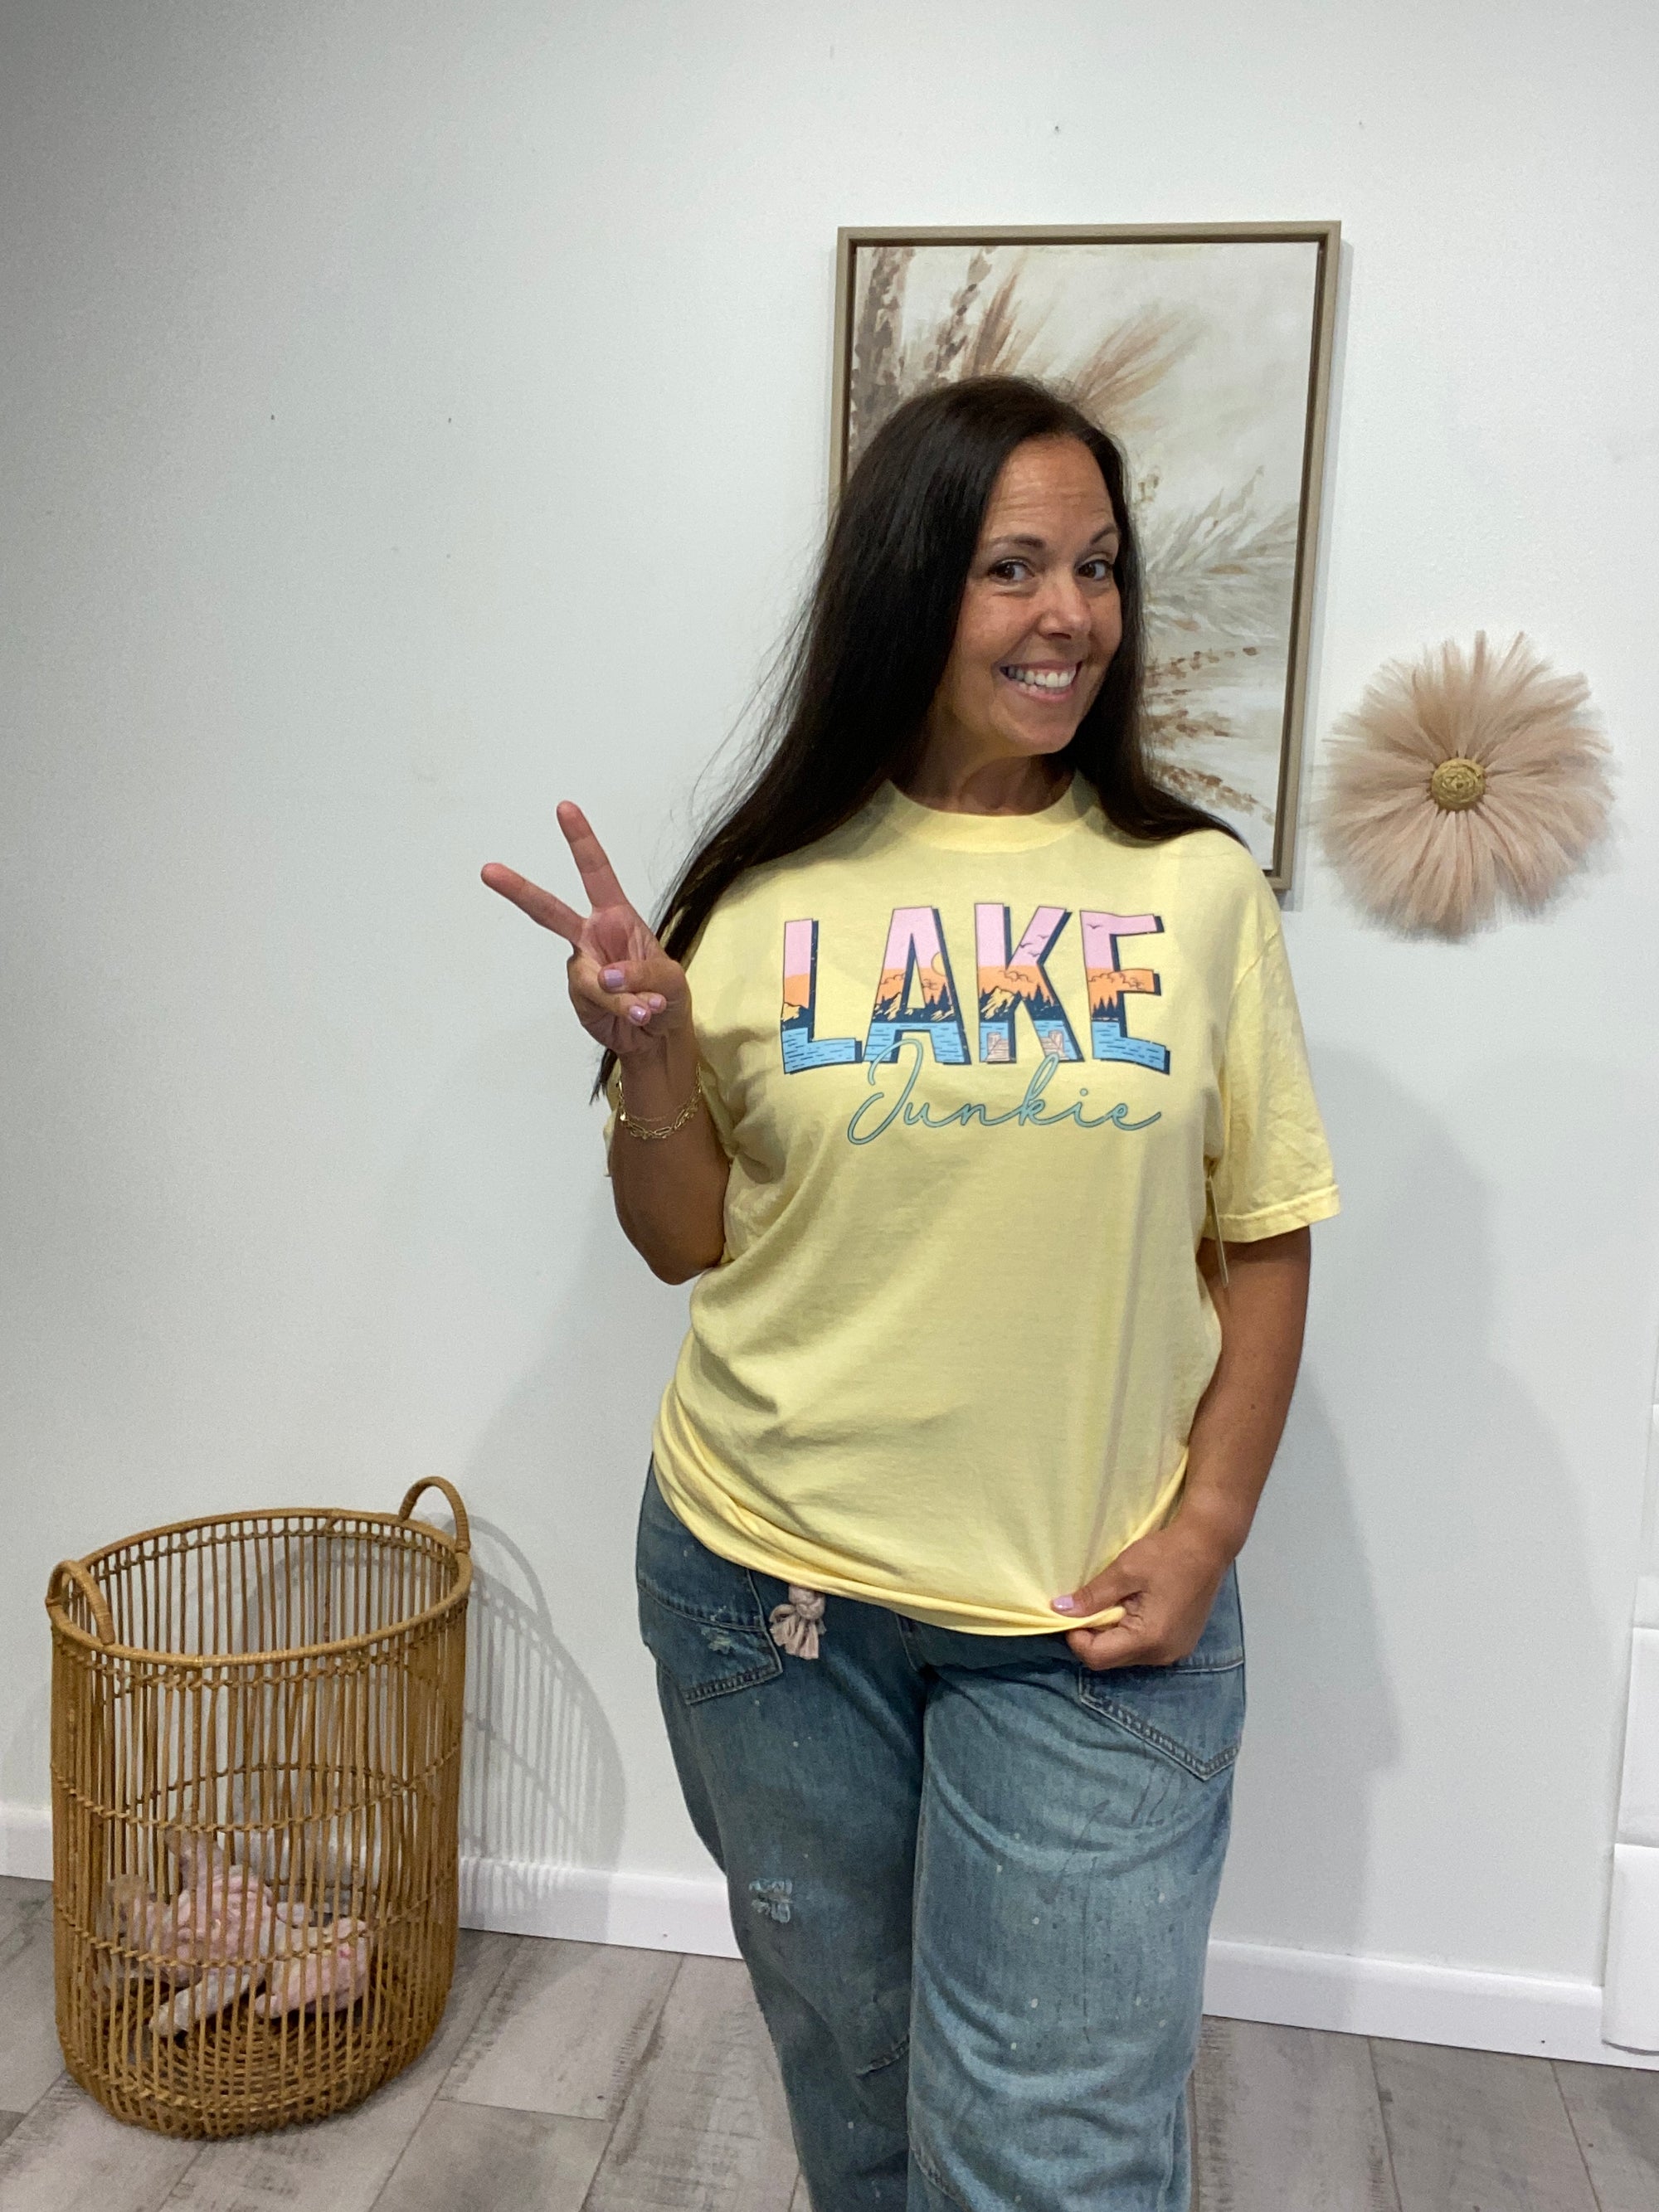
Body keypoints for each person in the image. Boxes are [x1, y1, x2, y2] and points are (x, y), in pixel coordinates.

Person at [482, 376, 1339, 2212]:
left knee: (1050, 2160)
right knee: (864, 2110)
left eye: (1096, 566)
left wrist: (1209, 1523)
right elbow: (686, 1240)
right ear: (907, 586)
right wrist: (650, 1060)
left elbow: (1263, 1232)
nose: (1069, 615)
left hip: (1083, 1617)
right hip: (765, 1597)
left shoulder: (1196, 891)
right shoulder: (766, 890)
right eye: (1011, 566)